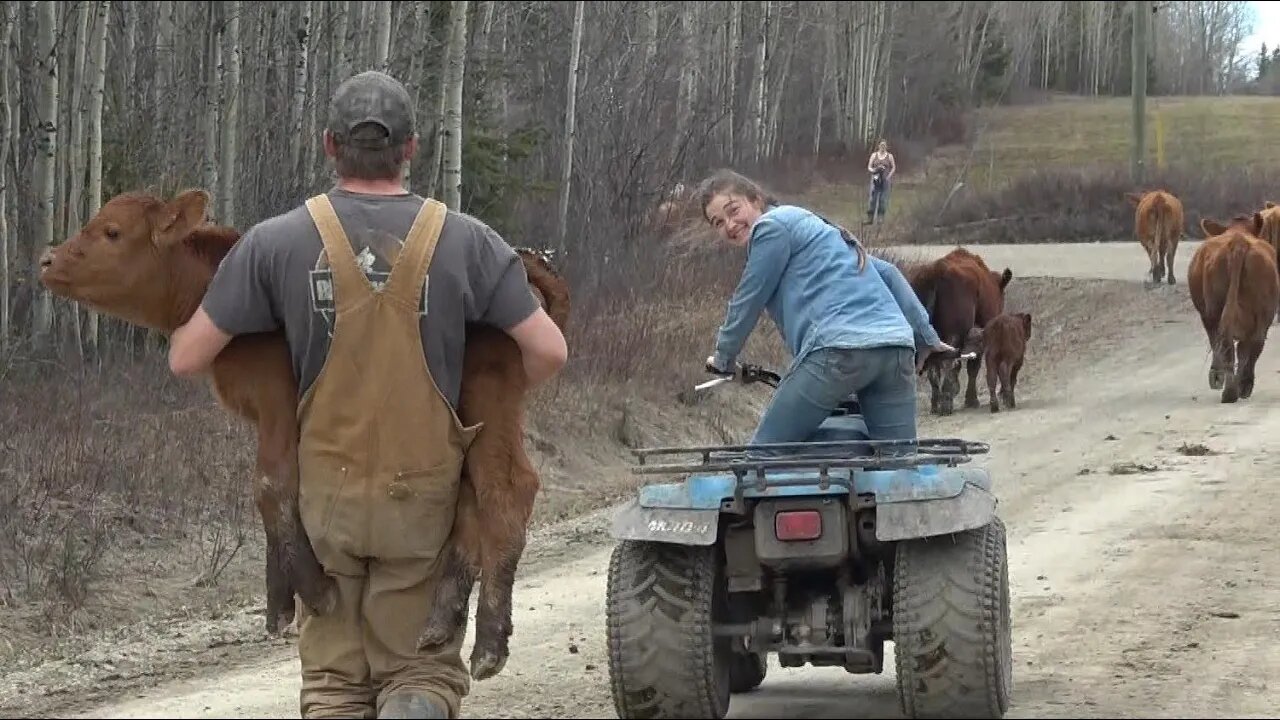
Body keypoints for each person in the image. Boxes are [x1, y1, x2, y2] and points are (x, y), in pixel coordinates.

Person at [166, 70, 569, 719]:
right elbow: (549, 351)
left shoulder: (274, 243)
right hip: (423, 504)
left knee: (333, 686)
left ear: (330, 145)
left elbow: (187, 357)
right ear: (411, 149)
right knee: (419, 674)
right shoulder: (469, 241)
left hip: (326, 507)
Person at [698, 168, 950, 452]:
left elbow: (748, 298)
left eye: (733, 210)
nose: (729, 225)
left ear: (756, 199)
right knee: (899, 462)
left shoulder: (770, 227)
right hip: (896, 349)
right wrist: (925, 335)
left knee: (762, 458)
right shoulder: (818, 228)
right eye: (718, 222)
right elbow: (888, 273)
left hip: (837, 350)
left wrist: (724, 357)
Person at [865, 139, 896, 225]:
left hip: (885, 180)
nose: (882, 147)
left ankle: (880, 218)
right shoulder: (874, 155)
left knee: (883, 199)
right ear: (878, 146)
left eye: (884, 145)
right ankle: (870, 218)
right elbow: (869, 166)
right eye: (881, 145)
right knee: (872, 199)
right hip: (875, 180)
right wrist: (873, 170)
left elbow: (893, 167)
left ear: (886, 146)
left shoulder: (889, 156)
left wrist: (889, 176)